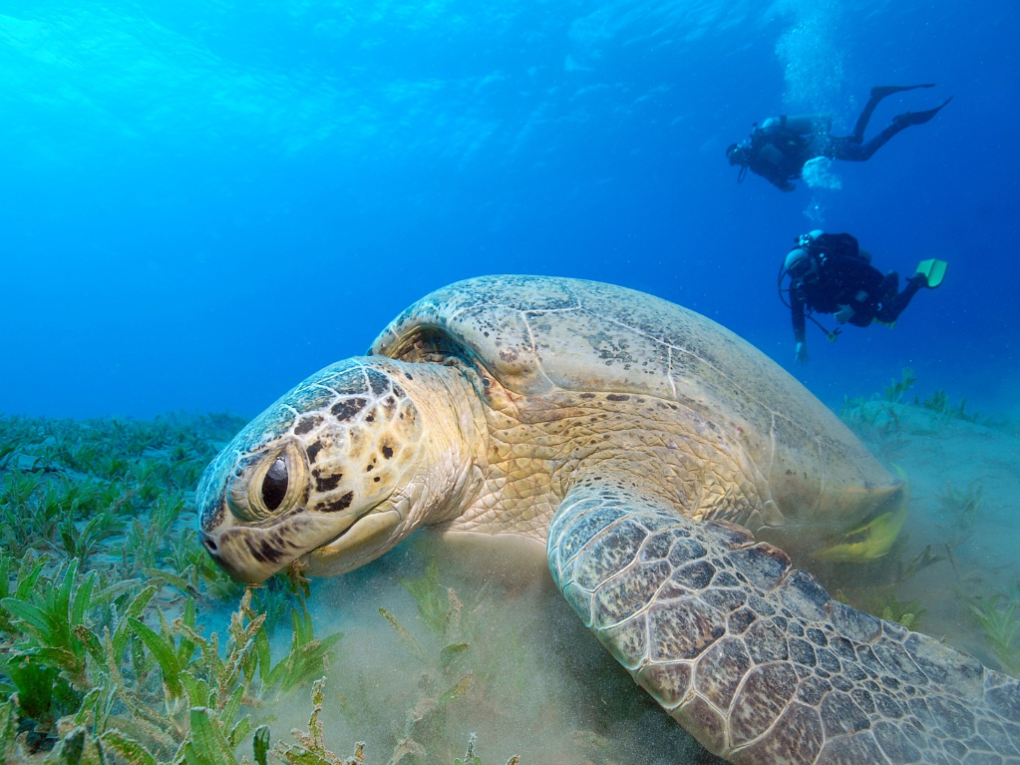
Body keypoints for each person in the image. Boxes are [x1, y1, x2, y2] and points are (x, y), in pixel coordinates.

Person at [727, 85, 952, 191]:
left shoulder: (759, 150)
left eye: (736, 157)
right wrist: (782, 182)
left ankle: (902, 122)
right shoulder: (756, 159)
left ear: (741, 150)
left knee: (862, 153)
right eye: (734, 161)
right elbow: (778, 172)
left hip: (817, 148)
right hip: (816, 147)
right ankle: (876, 98)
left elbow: (784, 162)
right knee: (856, 140)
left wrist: (786, 180)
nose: (738, 161)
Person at [778, 230, 947, 364]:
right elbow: (797, 314)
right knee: (864, 321)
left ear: (812, 260)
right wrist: (800, 342)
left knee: (889, 315)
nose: (804, 273)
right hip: (846, 304)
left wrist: (853, 306)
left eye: (804, 266)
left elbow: (875, 277)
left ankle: (914, 281)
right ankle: (877, 304)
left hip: (864, 289)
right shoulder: (797, 288)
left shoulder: (836, 263)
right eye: (796, 272)